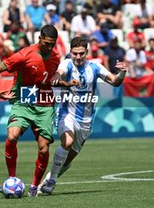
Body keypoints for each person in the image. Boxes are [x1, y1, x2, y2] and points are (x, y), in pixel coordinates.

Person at [0, 25, 76, 197]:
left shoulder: (54, 56)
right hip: (25, 99)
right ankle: (11, 179)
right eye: (47, 43)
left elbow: (50, 81)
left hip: (44, 103)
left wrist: (66, 84)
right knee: (12, 136)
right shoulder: (24, 55)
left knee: (44, 149)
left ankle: (34, 187)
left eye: (52, 44)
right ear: (39, 38)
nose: (50, 47)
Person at [38, 36, 127, 195]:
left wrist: (121, 74)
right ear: (70, 52)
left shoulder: (95, 67)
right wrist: (58, 78)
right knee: (67, 142)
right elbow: (58, 74)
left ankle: (50, 178)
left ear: (87, 52)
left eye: (81, 54)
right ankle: (51, 182)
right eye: (74, 53)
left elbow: (115, 82)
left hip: (86, 121)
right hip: (67, 114)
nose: (78, 57)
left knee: (69, 158)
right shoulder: (66, 64)